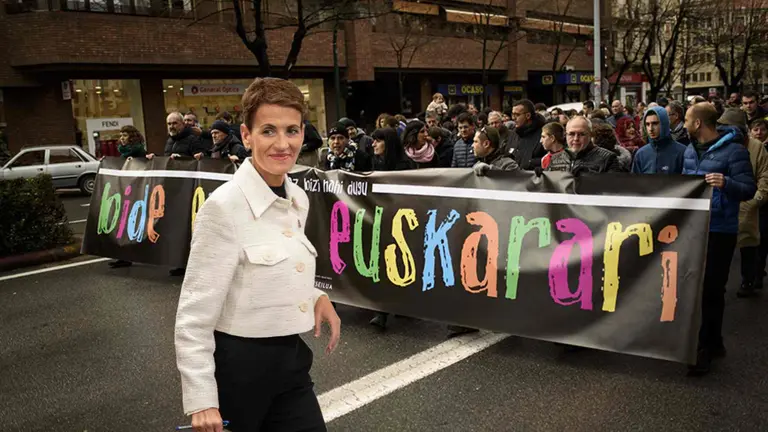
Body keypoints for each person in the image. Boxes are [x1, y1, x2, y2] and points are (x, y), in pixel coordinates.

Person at [174, 77, 341, 432]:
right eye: (268, 131)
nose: (283, 144)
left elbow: (276, 262)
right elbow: (194, 315)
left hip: (292, 363)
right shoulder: (223, 207)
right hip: (238, 372)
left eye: (292, 130)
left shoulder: (297, 197)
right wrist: (202, 399)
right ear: (246, 136)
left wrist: (316, 296)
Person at [682, 103, 756, 376]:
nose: (684, 124)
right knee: (695, 288)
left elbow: (748, 189)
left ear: (698, 123)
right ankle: (713, 341)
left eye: (687, 119)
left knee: (712, 288)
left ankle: (705, 347)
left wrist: (726, 183)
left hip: (721, 229)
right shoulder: (690, 150)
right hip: (694, 228)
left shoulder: (735, 151)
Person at [713, 109, 768, 298]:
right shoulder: (721, 146)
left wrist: (757, 199)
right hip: (725, 202)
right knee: (722, 247)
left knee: (749, 243)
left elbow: (764, 175)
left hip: (748, 202)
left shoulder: (756, 147)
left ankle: (749, 279)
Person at [108, 125, 148, 270]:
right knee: (122, 223)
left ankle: (131, 255)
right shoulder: (123, 152)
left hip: (135, 192)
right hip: (124, 190)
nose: (122, 138)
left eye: (125, 135)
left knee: (132, 223)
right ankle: (123, 256)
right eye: (121, 135)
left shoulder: (139, 151)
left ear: (132, 137)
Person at [549, 117, 623, 175]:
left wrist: (590, 177)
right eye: (571, 134)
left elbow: (613, 187)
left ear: (590, 135)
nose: (576, 138)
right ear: (566, 135)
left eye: (581, 134)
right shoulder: (555, 159)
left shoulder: (608, 158)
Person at [631, 106, 686, 174]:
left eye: (655, 123)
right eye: (647, 124)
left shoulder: (682, 152)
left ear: (664, 124)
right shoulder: (641, 154)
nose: (650, 128)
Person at [508, 99, 547, 170]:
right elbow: (506, 154)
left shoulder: (544, 134)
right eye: (512, 114)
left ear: (528, 115)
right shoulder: (513, 133)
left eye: (517, 115)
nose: (513, 118)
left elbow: (550, 159)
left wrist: (529, 163)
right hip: (513, 176)